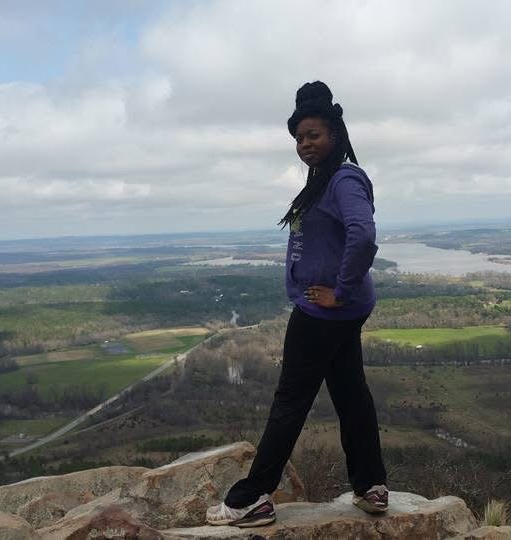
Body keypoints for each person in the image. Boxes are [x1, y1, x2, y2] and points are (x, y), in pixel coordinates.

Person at [205, 81, 388, 528]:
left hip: (324, 312)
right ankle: (371, 487)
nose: (305, 145)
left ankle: (251, 498)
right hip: (339, 312)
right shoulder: (324, 179)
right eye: (299, 138)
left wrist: (339, 291)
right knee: (350, 394)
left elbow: (363, 234)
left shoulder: (343, 177)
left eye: (314, 135)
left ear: (336, 135)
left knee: (290, 401)